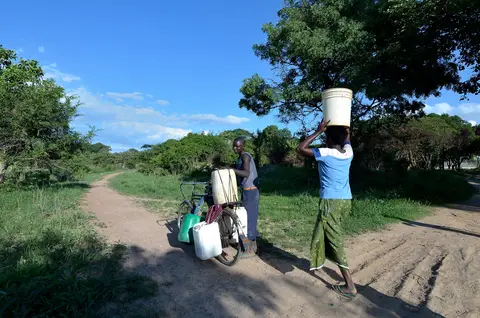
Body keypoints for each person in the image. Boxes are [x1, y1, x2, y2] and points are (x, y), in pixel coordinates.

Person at [296, 119, 357, 298]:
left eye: (326, 138)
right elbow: (347, 140)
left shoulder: (326, 152)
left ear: (329, 139)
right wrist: (346, 128)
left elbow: (300, 149)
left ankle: (350, 285)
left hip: (331, 202)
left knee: (335, 240)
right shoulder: (348, 153)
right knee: (329, 234)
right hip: (345, 201)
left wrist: (318, 131)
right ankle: (324, 258)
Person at [231, 137, 260, 256]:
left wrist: (231, 170)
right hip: (246, 191)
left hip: (251, 191)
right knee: (247, 218)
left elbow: (246, 173)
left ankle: (250, 250)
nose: (235, 148)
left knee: (250, 219)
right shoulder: (240, 158)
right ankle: (252, 247)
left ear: (243, 146)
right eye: (234, 146)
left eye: (238, 146)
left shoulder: (245, 156)